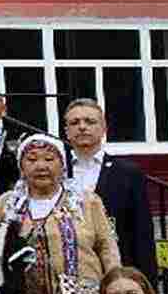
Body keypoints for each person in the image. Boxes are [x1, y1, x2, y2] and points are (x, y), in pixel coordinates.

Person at [4, 133, 123, 294]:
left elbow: (107, 246)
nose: (41, 166)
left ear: (63, 165)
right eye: (32, 159)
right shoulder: (8, 204)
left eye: (49, 159)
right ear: (21, 166)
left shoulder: (85, 202)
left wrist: (115, 285)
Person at [63, 97, 156, 280]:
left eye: (90, 121)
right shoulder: (57, 171)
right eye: (75, 122)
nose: (82, 127)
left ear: (104, 128)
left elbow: (141, 232)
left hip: (117, 270)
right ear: (66, 131)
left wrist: (147, 282)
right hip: (69, 270)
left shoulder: (127, 173)